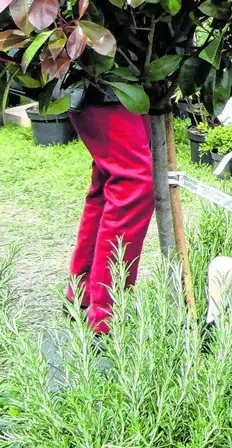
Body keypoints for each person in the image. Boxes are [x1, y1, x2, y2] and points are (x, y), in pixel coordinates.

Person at [64, 95, 155, 335]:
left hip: (125, 75)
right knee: (132, 181)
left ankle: (83, 289)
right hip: (98, 74)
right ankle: (107, 314)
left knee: (110, 177)